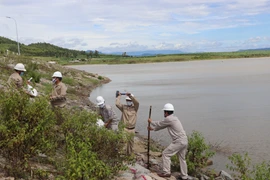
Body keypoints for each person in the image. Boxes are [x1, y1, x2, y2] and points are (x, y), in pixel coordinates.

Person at [148, 103, 189, 180]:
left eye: (164, 112)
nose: (164, 113)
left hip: (178, 141)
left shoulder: (169, 119)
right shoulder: (174, 118)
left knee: (166, 154)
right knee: (182, 158)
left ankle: (166, 172)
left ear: (166, 112)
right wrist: (153, 129)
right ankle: (184, 176)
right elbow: (162, 126)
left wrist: (151, 121)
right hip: (184, 140)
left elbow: (159, 123)